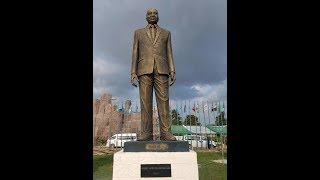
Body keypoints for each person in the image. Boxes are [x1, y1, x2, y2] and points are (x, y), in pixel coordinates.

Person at [131, 8, 176, 141]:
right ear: (146, 17)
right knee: (145, 102)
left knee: (163, 101)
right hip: (143, 69)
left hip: (162, 69)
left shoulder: (166, 33)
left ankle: (166, 132)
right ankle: (146, 133)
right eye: (149, 13)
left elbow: (169, 53)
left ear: (158, 16)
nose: (152, 15)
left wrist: (172, 70)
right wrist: (133, 71)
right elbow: (135, 53)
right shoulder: (138, 33)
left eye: (155, 13)